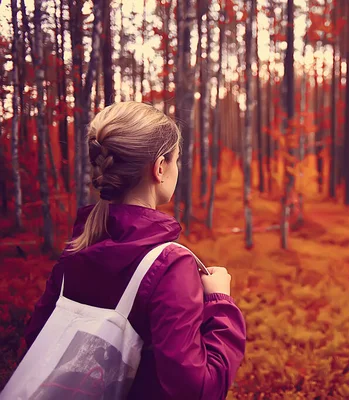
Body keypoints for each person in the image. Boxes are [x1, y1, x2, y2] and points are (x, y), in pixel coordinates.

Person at [23, 101, 246, 399]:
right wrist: (220, 301)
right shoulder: (169, 265)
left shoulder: (77, 248)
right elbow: (200, 390)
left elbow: (36, 341)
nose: (177, 168)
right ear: (159, 168)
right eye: (177, 159)